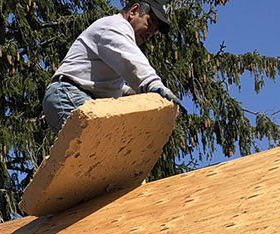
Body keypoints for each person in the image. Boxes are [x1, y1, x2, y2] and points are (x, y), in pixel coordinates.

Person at [43, 1, 181, 135]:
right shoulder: (115, 26)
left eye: (154, 31)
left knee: (102, 152)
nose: (150, 32)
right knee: (101, 142)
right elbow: (131, 60)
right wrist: (153, 84)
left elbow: (102, 81)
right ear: (134, 11)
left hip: (72, 96)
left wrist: (128, 92)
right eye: (149, 23)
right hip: (68, 94)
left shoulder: (115, 36)